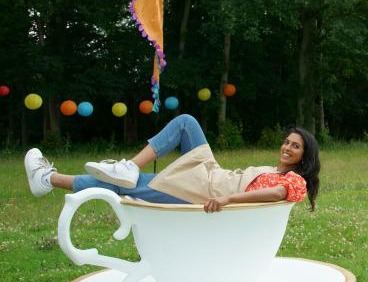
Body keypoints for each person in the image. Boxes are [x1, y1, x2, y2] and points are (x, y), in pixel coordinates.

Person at [24, 114, 320, 212]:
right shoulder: (273, 170)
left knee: (115, 184)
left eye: (295, 146)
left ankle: (48, 179)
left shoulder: (295, 181)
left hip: (201, 192)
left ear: (304, 156)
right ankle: (130, 166)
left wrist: (228, 198)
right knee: (186, 123)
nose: (287, 148)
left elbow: (275, 194)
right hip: (212, 175)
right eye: (287, 142)